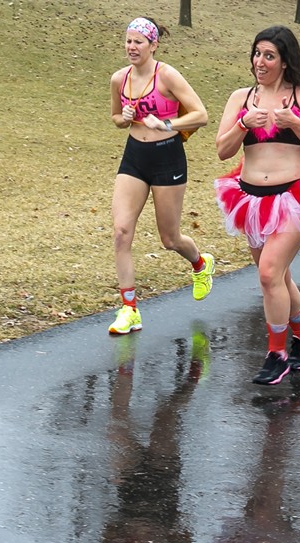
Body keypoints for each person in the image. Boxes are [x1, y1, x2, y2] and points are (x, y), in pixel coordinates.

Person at [213, 26, 300, 385]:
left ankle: (277, 354)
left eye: (269, 55)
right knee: (279, 276)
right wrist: (243, 123)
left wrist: (295, 123)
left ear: (285, 61)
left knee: (269, 273)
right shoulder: (241, 97)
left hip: (297, 195)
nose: (261, 62)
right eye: (257, 54)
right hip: (251, 198)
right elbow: (223, 149)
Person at [108, 17, 214, 335]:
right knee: (121, 232)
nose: (132, 47)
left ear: (153, 45)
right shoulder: (119, 78)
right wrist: (123, 118)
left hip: (168, 157)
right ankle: (129, 309)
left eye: (138, 41)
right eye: (128, 41)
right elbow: (115, 117)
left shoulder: (166, 75)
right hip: (135, 158)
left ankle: (200, 264)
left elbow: (201, 114)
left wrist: (167, 124)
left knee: (169, 239)